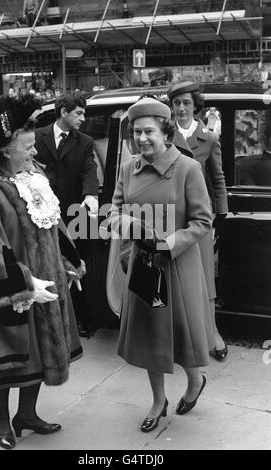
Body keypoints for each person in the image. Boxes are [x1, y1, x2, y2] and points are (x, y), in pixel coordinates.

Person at [0, 93, 84, 450]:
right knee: (9, 356)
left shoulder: (33, 176)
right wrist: (23, 284)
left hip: (47, 283)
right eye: (27, 147)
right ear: (5, 150)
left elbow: (53, 225)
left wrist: (69, 261)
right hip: (13, 288)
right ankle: (2, 418)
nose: (35, 153)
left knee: (41, 351)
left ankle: (27, 414)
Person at [106, 97, 214, 433]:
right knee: (151, 336)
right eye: (136, 132)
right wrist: (129, 227)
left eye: (148, 131)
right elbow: (113, 211)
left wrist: (170, 243)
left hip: (177, 266)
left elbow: (202, 221)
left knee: (182, 336)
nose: (141, 139)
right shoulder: (128, 169)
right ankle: (158, 400)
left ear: (165, 131)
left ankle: (195, 382)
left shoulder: (187, 168)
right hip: (144, 264)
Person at [168, 81, 229, 361]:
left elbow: (217, 178)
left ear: (196, 106)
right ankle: (178, 336)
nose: (181, 108)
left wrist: (221, 213)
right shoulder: (164, 134)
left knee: (205, 277)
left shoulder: (209, 138)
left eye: (187, 103)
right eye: (177, 103)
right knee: (174, 278)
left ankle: (212, 332)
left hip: (199, 218)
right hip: (170, 217)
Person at [35, 91, 99, 337]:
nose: (83, 118)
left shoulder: (84, 141)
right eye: (79, 113)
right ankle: (50, 320)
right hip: (41, 214)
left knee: (74, 267)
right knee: (46, 266)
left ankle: (79, 321)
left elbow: (89, 170)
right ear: (64, 112)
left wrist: (90, 195)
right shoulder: (38, 137)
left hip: (73, 215)